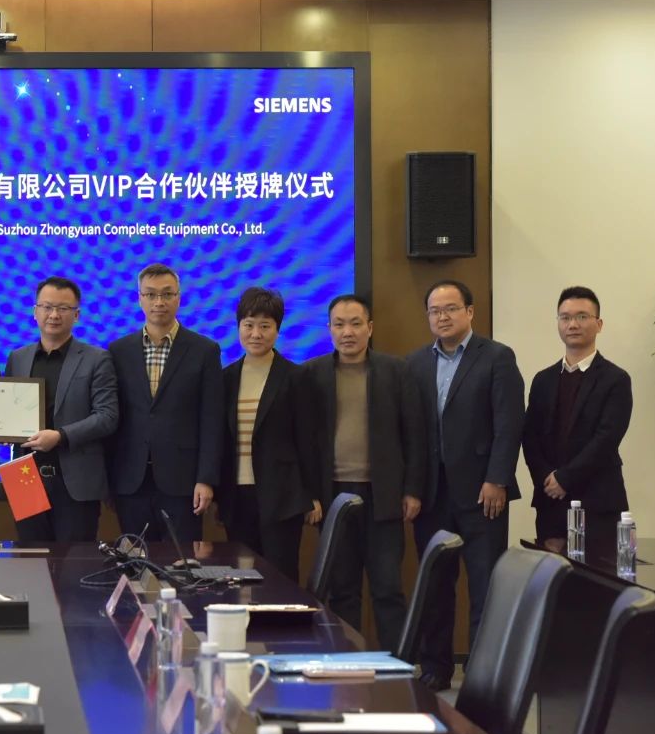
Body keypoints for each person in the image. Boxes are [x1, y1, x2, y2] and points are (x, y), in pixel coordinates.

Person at [407, 279, 524, 691]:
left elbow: (509, 424)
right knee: (435, 586)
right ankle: (435, 667)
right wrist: (411, 487)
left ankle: (481, 673)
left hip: (482, 494)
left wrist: (497, 479)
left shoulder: (496, 357)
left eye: (451, 308)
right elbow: (412, 433)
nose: (442, 316)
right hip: (432, 494)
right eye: (435, 310)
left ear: (469, 312)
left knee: (484, 586)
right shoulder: (415, 363)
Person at [301, 294, 425, 650]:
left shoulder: (396, 371)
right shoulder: (311, 374)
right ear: (329, 329)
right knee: (342, 590)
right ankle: (348, 661)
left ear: (370, 328)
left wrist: (412, 490)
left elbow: (415, 434)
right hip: (333, 497)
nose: (348, 332)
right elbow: (303, 442)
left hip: (383, 495)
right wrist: (310, 495)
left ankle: (397, 665)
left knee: (388, 588)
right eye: (339, 324)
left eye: (356, 324)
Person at [108, 263, 223, 544]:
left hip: (183, 482)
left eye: (167, 294)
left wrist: (206, 478)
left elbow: (212, 420)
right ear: (140, 299)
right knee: (136, 561)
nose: (159, 302)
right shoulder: (118, 351)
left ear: (178, 298)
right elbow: (112, 416)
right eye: (150, 294)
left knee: (180, 563)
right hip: (131, 481)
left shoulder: (205, 350)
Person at [4, 277, 118, 542]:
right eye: (46, 307)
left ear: (76, 315)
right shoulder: (18, 358)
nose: (54, 315)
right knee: (30, 558)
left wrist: (61, 436)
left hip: (76, 480)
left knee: (75, 560)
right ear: (35, 312)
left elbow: (107, 416)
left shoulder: (97, 359)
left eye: (63, 308)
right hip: (24, 478)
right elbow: (8, 409)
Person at [218, 287, 320, 583]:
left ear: (277, 329)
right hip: (237, 496)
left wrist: (312, 495)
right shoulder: (226, 378)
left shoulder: (295, 377)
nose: (256, 334)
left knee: (280, 579)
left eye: (265, 326)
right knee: (242, 579)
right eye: (248, 325)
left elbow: (308, 440)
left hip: (282, 497)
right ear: (238, 327)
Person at [522, 286, 630, 548]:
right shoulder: (543, 379)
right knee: (552, 572)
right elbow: (529, 436)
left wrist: (565, 478)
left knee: (597, 573)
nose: (573, 324)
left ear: (599, 324)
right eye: (565, 317)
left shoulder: (615, 379)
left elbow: (606, 439)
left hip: (598, 501)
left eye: (582, 316)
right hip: (551, 499)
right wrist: (546, 478)